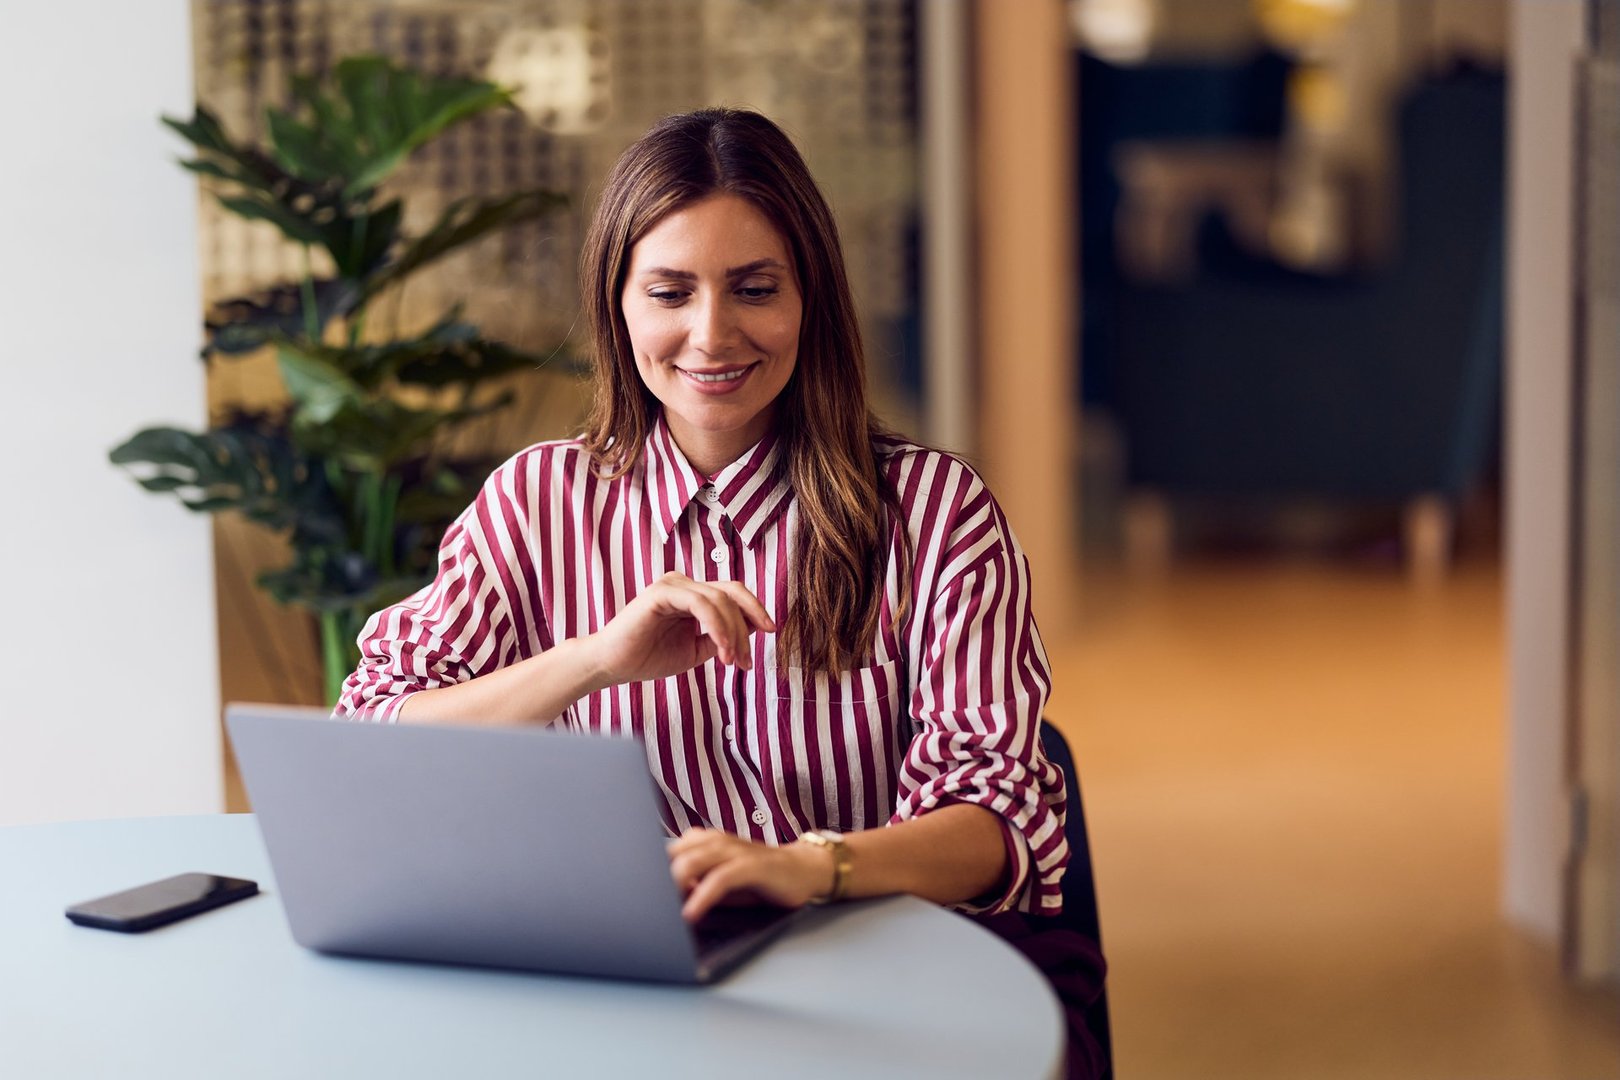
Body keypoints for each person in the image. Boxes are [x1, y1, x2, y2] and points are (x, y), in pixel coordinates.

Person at [336, 107, 1105, 1077]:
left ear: (809, 300)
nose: (712, 335)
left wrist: (808, 867)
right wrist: (593, 660)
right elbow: (370, 738)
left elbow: (998, 826)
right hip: (650, 991)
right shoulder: (539, 503)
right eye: (670, 292)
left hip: (892, 969)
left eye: (754, 289)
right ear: (618, 304)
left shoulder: (935, 513)